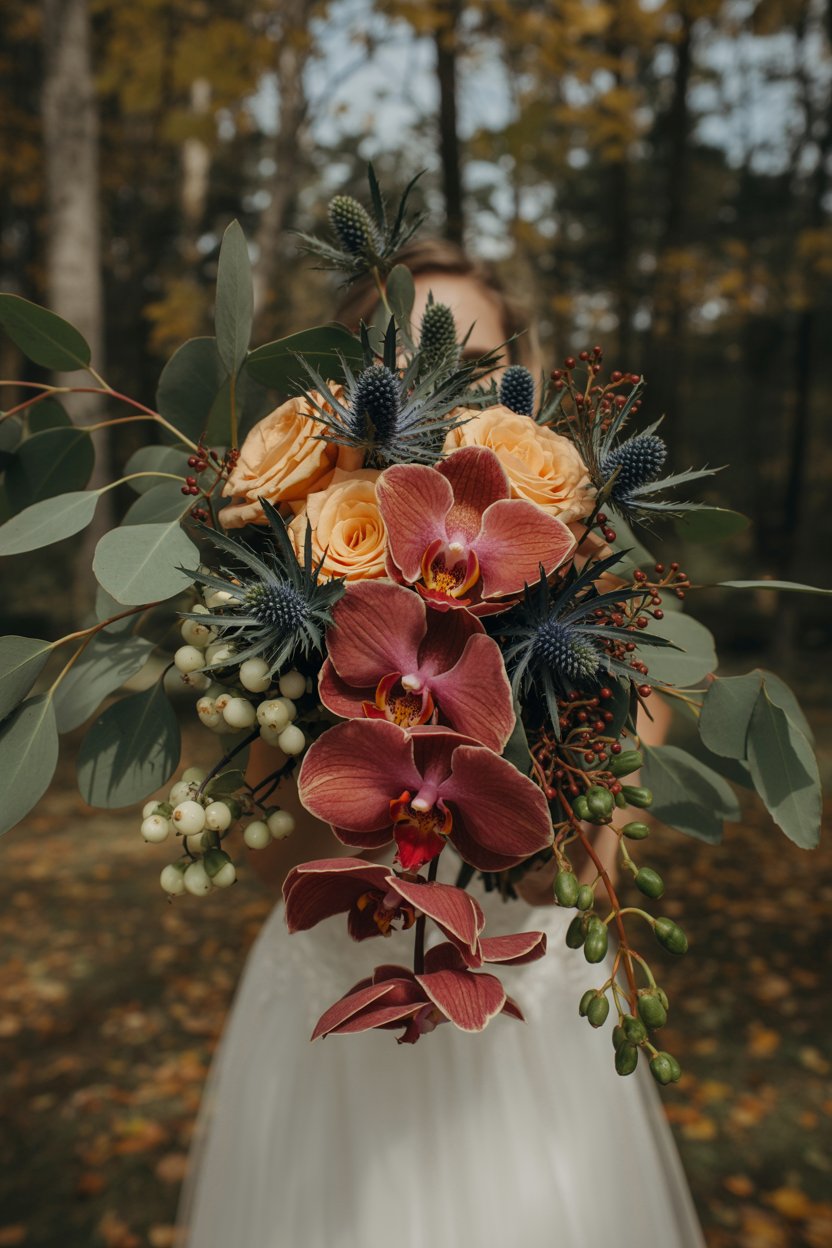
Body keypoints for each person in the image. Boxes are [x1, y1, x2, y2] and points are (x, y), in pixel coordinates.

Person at [176, 240, 703, 1248]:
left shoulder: (598, 608)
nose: (435, 390)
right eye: (404, 358)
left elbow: (586, 882)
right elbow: (281, 860)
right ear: (359, 387)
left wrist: (560, 677)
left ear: (520, 386)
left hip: (523, 1019)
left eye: (465, 363)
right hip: (338, 995)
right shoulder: (287, 577)